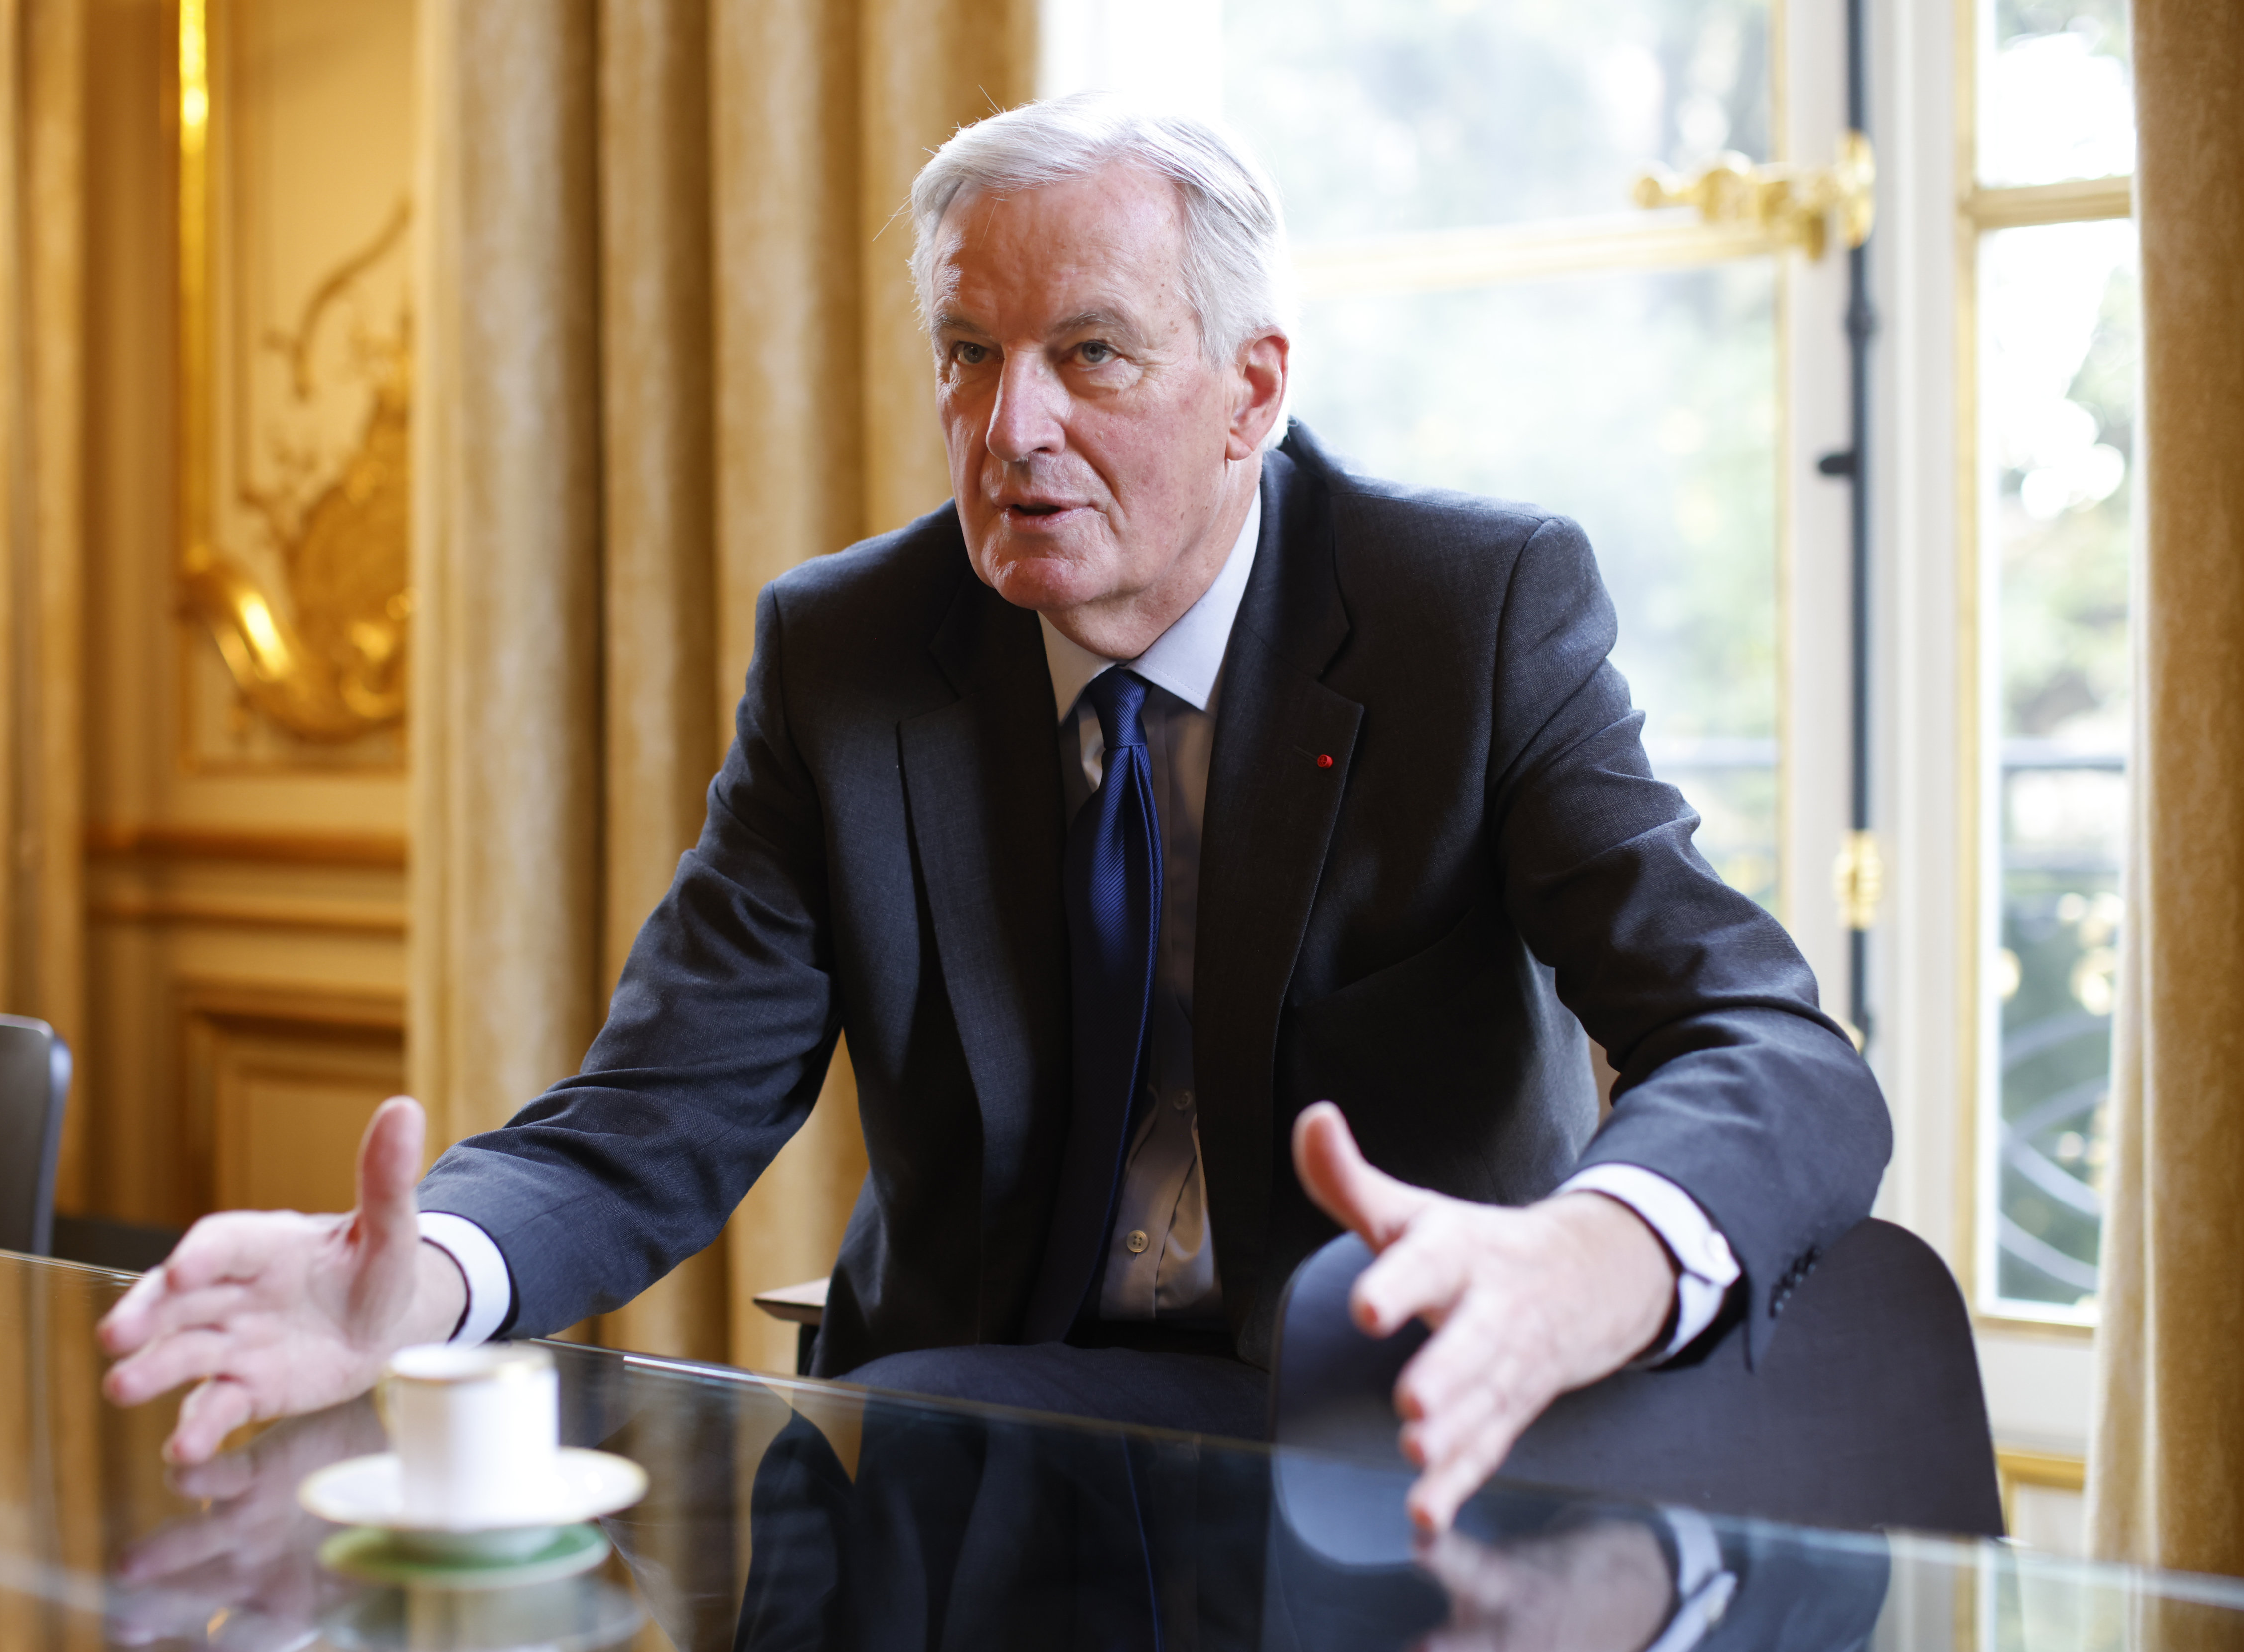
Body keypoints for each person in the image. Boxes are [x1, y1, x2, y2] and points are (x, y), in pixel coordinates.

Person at [100, 95, 1888, 1534]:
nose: (1008, 425)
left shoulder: (1465, 618)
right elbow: (655, 1111)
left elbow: (1767, 1042)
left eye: (1090, 354)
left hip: (1382, 1448)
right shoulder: (855, 651)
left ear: (1252, 390)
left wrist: (1597, 1255)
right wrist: (422, 1288)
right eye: (968, 354)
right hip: (960, 1471)